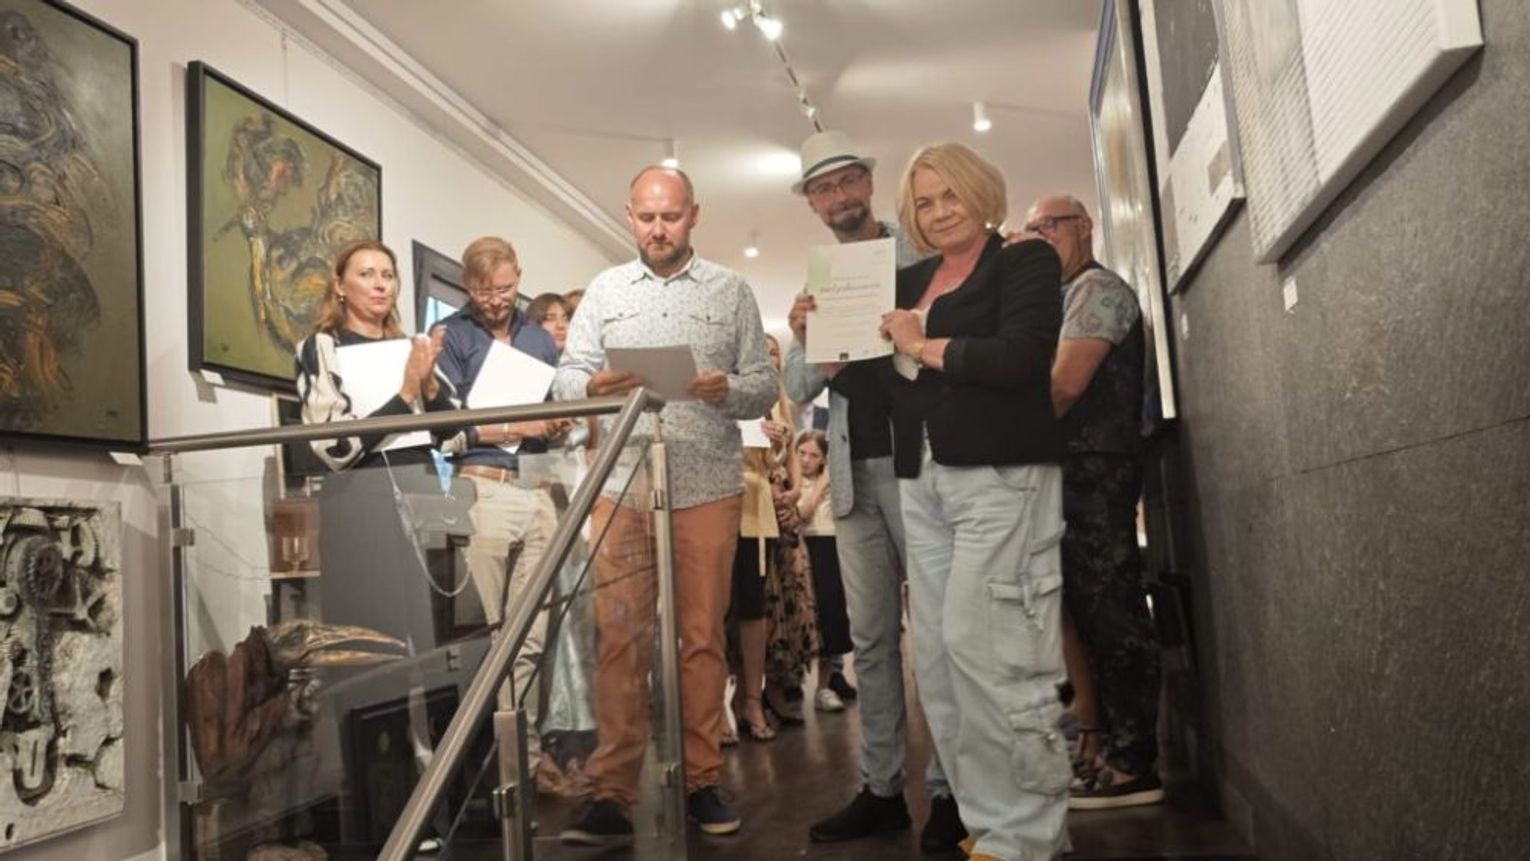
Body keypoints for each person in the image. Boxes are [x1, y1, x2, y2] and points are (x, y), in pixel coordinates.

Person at [552, 166, 777, 845]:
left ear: (694, 215)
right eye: (646, 217)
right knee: (620, 637)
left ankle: (701, 779)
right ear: (629, 215)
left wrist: (725, 389)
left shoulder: (731, 290)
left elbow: (764, 385)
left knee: (701, 636)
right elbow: (565, 380)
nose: (657, 229)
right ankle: (612, 791)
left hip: (706, 484)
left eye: (670, 217)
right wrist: (594, 383)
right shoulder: (605, 290)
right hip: (621, 484)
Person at [877, 142, 1070, 861]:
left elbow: (1020, 357)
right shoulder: (910, 280)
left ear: (981, 191)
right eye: (924, 202)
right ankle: (989, 823)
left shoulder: (1024, 260)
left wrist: (921, 344)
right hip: (921, 479)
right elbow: (882, 383)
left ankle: (1023, 837)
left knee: (993, 650)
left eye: (950, 194)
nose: (939, 211)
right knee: (937, 659)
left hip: (1000, 474)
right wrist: (822, 338)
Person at [782, 130, 963, 851]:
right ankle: (882, 788)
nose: (837, 197)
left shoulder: (921, 256)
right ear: (812, 203)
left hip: (924, 465)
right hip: (854, 476)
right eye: (822, 189)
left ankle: (950, 791)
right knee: (871, 639)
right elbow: (797, 386)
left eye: (846, 181)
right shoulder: (819, 281)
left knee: (941, 635)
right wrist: (807, 334)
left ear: (867, 182)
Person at [294, 238, 460, 855]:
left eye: (388, 274)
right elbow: (330, 446)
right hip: (360, 519)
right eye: (366, 273)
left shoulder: (412, 348)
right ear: (340, 285)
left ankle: (442, 811)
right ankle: (384, 823)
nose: (381, 283)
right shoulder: (321, 349)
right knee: (373, 672)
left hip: (421, 515)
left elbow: (454, 434)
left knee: (435, 667)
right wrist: (405, 395)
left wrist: (429, 385)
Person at [1022, 194, 1160, 810]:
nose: (1040, 236)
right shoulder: (1060, 297)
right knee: (1084, 609)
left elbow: (1063, 386)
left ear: (1084, 227)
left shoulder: (1096, 290)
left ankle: (1135, 764)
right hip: (1069, 474)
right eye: (1031, 230)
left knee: (1113, 611)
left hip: (1097, 473)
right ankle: (1104, 743)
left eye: (1049, 225)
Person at [432, 236, 569, 772]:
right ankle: (479, 771)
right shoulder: (451, 336)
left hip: (537, 490)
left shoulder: (538, 339)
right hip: (482, 489)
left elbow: (552, 418)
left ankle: (523, 763)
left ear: (520, 278)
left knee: (531, 638)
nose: (496, 300)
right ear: (468, 286)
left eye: (506, 289)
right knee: (486, 637)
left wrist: (556, 424)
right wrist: (517, 426)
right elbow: (446, 430)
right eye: (485, 291)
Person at [729, 334, 814, 741]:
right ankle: (717, 706)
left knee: (754, 605)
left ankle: (753, 698)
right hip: (717, 499)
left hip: (758, 505)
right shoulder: (721, 383)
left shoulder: (773, 392)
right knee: (713, 608)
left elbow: (781, 455)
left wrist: (779, 446)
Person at [795, 430, 854, 713]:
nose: (806, 460)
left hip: (830, 544)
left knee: (831, 613)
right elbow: (802, 513)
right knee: (803, 616)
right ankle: (791, 683)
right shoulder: (793, 483)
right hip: (801, 546)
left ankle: (826, 684)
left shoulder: (832, 483)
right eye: (802, 453)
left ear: (823, 459)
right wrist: (821, 485)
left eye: (814, 455)